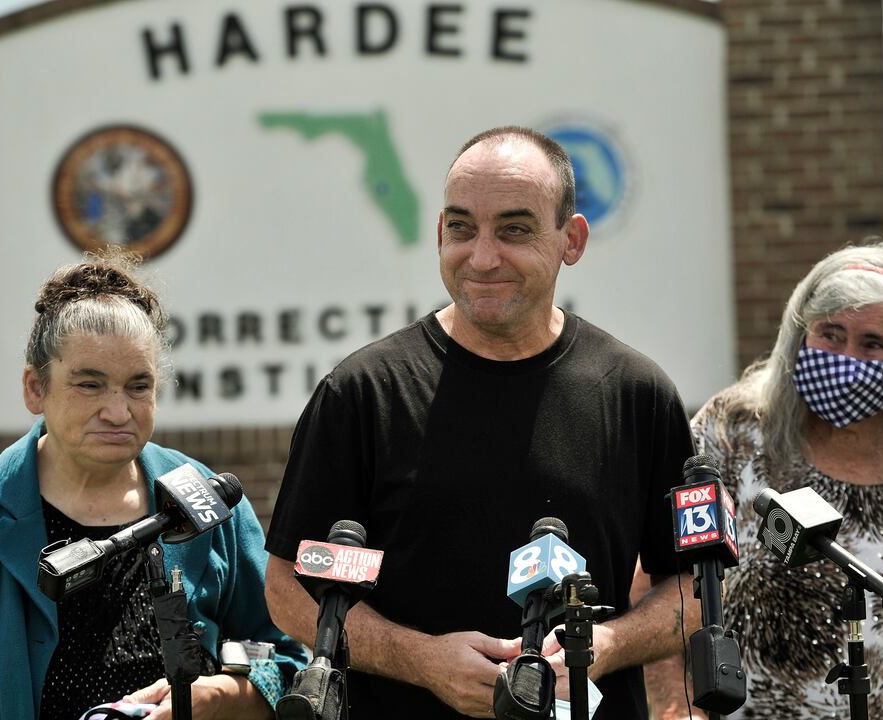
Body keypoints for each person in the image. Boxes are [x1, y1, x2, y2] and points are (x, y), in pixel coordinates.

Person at [263, 126, 699, 719]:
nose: (483, 256)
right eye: (462, 228)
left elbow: (695, 589)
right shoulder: (362, 392)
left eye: (514, 230)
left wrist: (602, 647)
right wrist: (420, 660)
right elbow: (288, 587)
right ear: (440, 233)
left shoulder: (637, 394)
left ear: (571, 240)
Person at [0, 253, 306, 720]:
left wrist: (222, 697)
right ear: (35, 388)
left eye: (138, 386)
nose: (118, 412)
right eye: (90, 385)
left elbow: (289, 663)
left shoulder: (209, 502)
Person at [653, 244, 883, 718]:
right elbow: (656, 588)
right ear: (799, 336)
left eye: (873, 343)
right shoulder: (728, 432)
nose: (847, 360)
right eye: (830, 335)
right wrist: (676, 708)